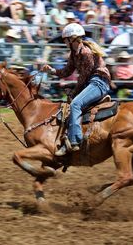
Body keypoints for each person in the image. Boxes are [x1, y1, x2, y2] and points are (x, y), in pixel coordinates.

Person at [41, 23, 111, 156]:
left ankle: (75, 141)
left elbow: (84, 76)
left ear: (73, 39)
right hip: (91, 83)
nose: (64, 42)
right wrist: (52, 70)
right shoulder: (74, 54)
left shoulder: (85, 52)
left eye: (65, 39)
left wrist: (74, 92)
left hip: (99, 82)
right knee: (71, 105)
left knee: (75, 104)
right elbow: (67, 71)